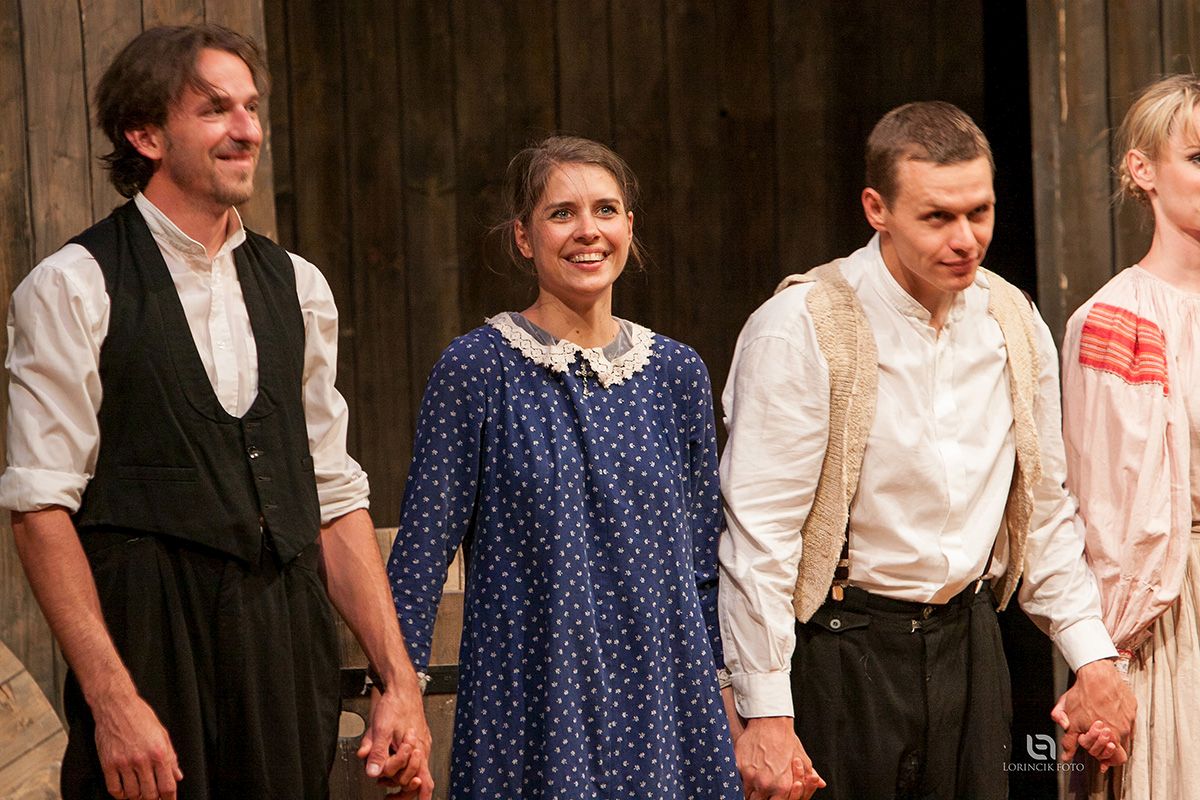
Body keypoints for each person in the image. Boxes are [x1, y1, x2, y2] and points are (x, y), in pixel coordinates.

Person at [1, 24, 432, 800]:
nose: (247, 129)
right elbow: (39, 509)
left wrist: (398, 681)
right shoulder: (73, 285)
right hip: (151, 644)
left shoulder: (298, 285)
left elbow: (333, 495)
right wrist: (112, 701)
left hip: (283, 648)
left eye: (251, 107)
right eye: (214, 109)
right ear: (145, 134)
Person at [718, 101, 1136, 800]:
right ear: (876, 209)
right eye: (937, 217)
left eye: (979, 212)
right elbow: (761, 537)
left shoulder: (1011, 319)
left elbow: (1041, 509)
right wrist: (765, 711)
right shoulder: (802, 325)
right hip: (842, 645)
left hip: (968, 642)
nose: (966, 239)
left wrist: (1091, 656)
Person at [386, 135, 741, 799]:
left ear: (629, 226)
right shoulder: (477, 369)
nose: (587, 231)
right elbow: (422, 554)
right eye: (561, 213)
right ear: (523, 237)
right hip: (534, 701)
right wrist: (400, 692)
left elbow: (702, 565)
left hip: (666, 703)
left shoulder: (675, 374)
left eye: (605, 210)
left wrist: (733, 701)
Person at [1061, 73, 1200, 800]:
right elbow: (1103, 515)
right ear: (1143, 170)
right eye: (1198, 158)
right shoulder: (1117, 321)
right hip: (1173, 615)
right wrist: (1104, 662)